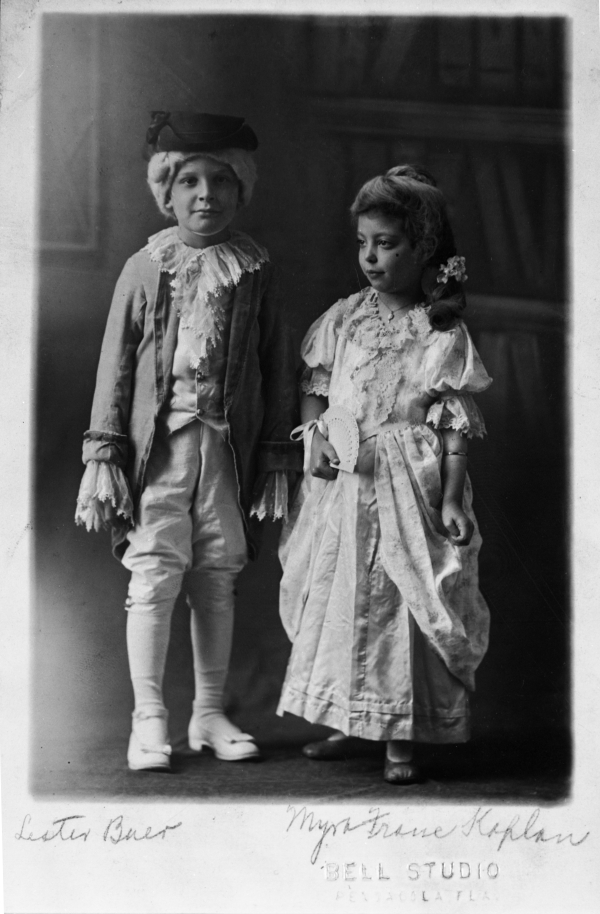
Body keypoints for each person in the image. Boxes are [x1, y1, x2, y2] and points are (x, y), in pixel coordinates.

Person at [75, 111, 301, 771]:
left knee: (216, 578)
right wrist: (106, 453)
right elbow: (115, 365)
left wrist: (275, 460)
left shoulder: (255, 269)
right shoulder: (145, 268)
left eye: (221, 181)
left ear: (242, 191)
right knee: (152, 577)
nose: (206, 195)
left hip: (226, 453)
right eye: (190, 182)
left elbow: (277, 361)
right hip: (161, 454)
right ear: (167, 193)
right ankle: (149, 720)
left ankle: (208, 712)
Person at [277, 164, 492, 784]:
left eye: (388, 244)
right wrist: (315, 436)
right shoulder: (344, 318)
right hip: (344, 489)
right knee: (341, 597)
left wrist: (451, 498)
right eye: (364, 243)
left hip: (406, 489)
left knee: (399, 602)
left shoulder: (437, 329)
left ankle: (399, 736)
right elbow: (316, 384)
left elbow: (454, 422)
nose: (371, 257)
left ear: (422, 248)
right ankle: (349, 719)